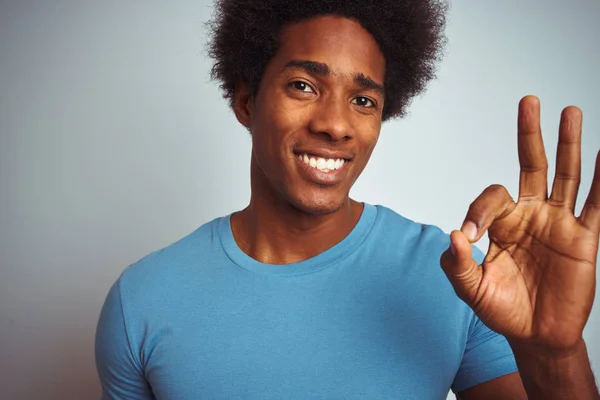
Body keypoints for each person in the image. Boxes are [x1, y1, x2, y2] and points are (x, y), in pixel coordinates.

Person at [95, 0, 600, 399]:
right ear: (247, 101)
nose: (335, 124)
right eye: (303, 85)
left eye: (363, 100)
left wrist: (557, 358)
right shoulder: (143, 300)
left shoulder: (453, 274)